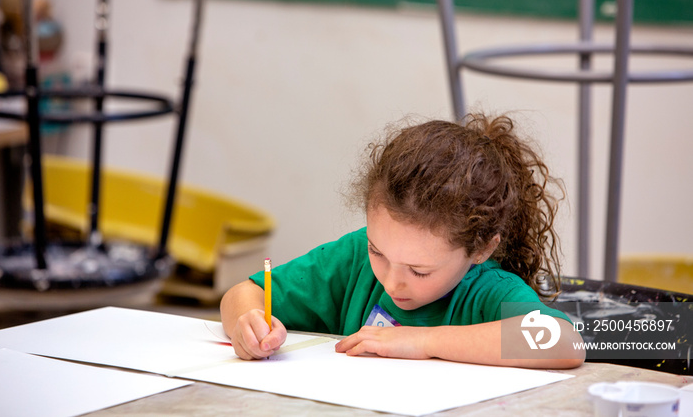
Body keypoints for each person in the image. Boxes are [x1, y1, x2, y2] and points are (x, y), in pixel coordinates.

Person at [221, 113, 585, 369]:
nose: (392, 281)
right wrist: (247, 321)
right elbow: (243, 293)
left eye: (419, 270)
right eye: (378, 251)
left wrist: (423, 342)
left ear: (481, 248)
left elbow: (566, 343)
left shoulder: (489, 292)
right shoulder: (353, 260)